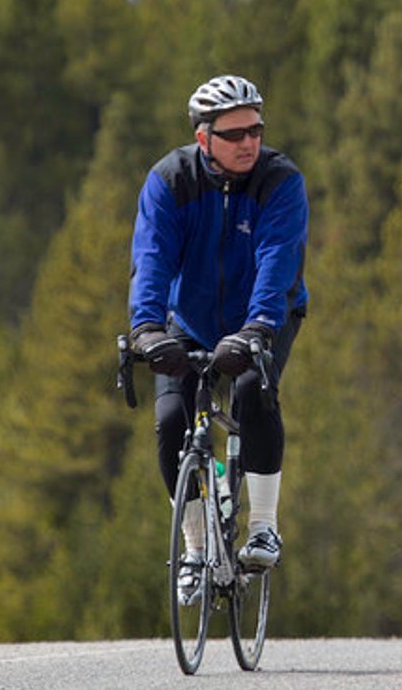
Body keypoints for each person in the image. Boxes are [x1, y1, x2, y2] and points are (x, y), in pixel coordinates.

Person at [129, 74, 308, 580]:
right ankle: (193, 547)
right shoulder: (170, 181)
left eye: (255, 130)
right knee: (170, 421)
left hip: (265, 316)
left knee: (253, 392)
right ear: (203, 138)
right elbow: (152, 258)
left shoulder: (280, 180)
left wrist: (257, 329)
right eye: (234, 134)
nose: (249, 142)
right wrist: (145, 328)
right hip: (188, 320)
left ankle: (264, 526)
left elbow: (278, 263)